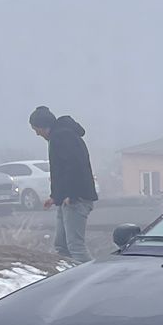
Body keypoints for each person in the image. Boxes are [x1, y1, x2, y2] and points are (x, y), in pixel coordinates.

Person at [30, 105, 96, 265]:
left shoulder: (63, 137)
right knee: (62, 246)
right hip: (67, 199)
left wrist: (71, 195)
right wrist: (55, 196)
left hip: (76, 199)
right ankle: (69, 279)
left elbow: (74, 167)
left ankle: (93, 279)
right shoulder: (60, 136)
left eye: (36, 129)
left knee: (75, 247)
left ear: (43, 126)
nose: (36, 133)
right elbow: (61, 170)